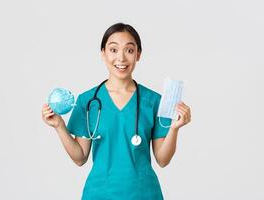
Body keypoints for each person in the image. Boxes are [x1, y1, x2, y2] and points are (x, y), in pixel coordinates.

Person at [42, 22, 191, 200]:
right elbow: (80, 157)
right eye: (113, 50)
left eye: (129, 50)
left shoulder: (154, 101)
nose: (121, 57)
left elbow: (163, 159)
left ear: (138, 54)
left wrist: (174, 129)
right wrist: (59, 126)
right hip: (99, 193)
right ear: (103, 53)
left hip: (143, 194)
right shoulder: (87, 101)